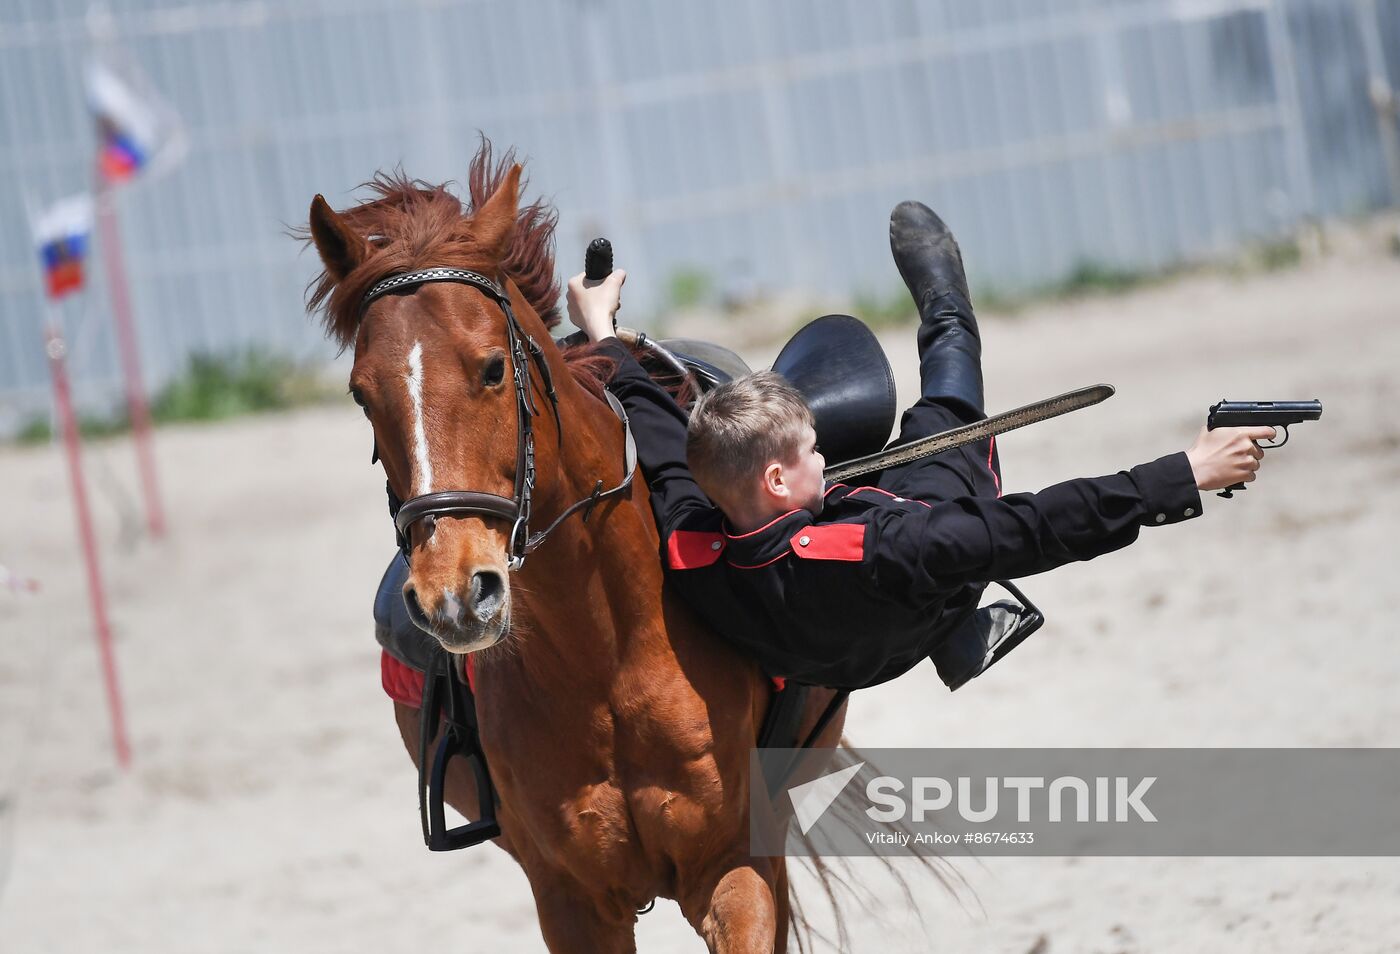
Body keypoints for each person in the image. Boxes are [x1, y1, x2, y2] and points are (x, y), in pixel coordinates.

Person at [566, 202, 1274, 692]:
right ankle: (948, 310)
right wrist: (1190, 471)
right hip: (906, 619)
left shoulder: (689, 532)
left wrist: (600, 329)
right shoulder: (890, 542)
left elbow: (656, 433)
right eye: (812, 450)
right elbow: (1037, 525)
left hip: (804, 659)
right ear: (779, 481)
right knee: (948, 410)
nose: (823, 455)